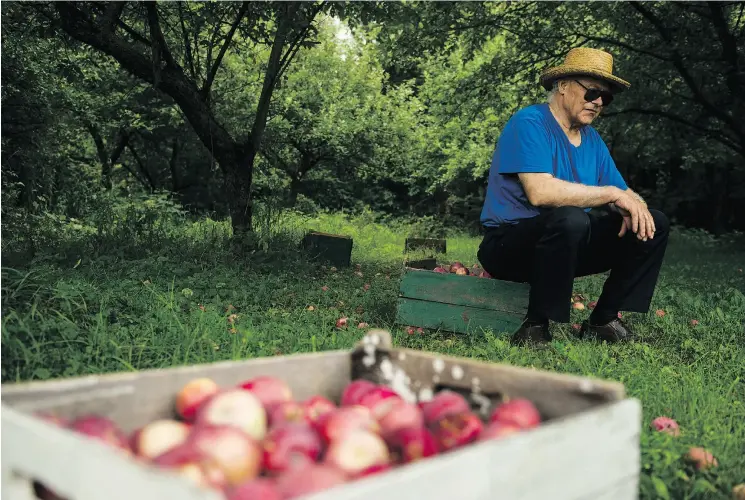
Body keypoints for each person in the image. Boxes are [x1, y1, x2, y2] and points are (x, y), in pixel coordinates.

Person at [477, 47, 670, 345]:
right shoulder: (529, 122)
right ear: (564, 85)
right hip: (507, 247)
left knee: (652, 221)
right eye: (592, 92)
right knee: (571, 217)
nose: (598, 103)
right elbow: (540, 192)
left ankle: (603, 319)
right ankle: (535, 326)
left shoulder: (592, 140)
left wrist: (635, 207)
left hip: (565, 248)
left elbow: (624, 192)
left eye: (606, 98)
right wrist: (610, 194)